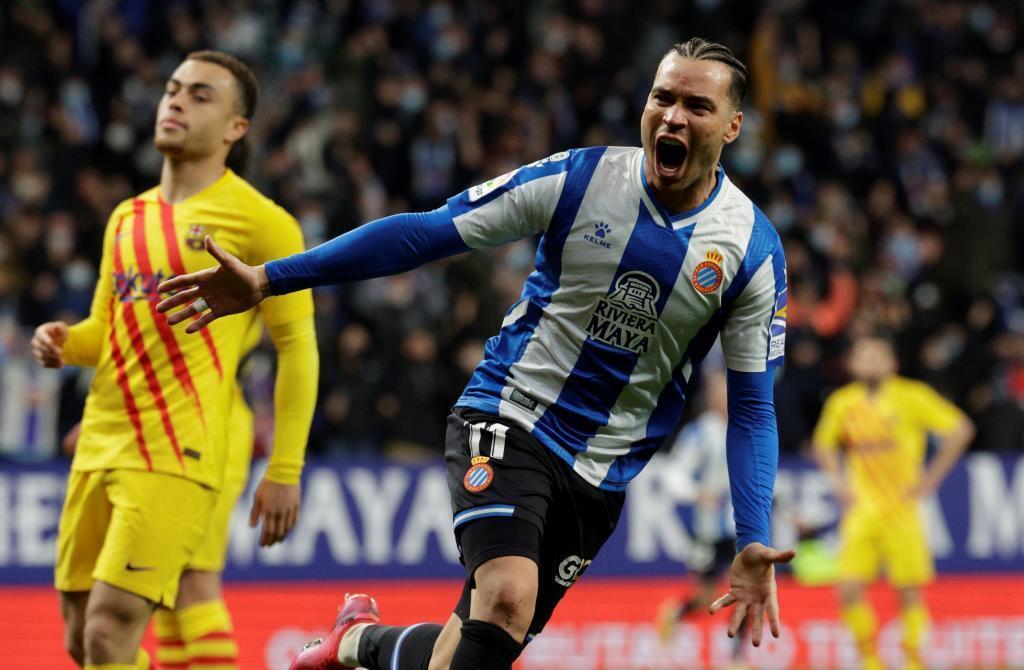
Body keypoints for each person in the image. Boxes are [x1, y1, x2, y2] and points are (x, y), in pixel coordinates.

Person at [159, 38, 796, 670]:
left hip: (600, 473)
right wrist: (270, 278)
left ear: (733, 125)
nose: (673, 116)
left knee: (462, 650)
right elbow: (425, 233)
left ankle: (356, 642)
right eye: (662, 97)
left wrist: (752, 538)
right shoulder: (580, 178)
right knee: (507, 598)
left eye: (697, 106)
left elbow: (750, 412)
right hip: (509, 413)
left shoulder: (750, 252)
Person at [30, 50, 318, 670]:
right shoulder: (124, 217)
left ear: (237, 128)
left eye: (200, 95)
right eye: (171, 89)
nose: (176, 102)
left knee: (114, 629)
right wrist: (64, 342)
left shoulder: (263, 222)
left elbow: (298, 347)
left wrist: (286, 467)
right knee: (82, 640)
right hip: (101, 441)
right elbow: (105, 329)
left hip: (178, 450)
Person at [812, 334, 974, 670]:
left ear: (893, 363)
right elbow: (823, 445)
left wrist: (930, 480)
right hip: (862, 511)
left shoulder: (912, 396)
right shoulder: (842, 402)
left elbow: (960, 429)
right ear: (852, 363)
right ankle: (871, 661)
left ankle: (914, 661)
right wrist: (838, 482)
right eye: (863, 354)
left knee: (909, 592)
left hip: (902, 511)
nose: (870, 360)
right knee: (848, 590)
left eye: (878, 354)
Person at [654, 369, 747, 669]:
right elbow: (672, 472)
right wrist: (696, 493)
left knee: (745, 589)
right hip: (706, 529)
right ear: (711, 396)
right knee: (707, 597)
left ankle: (736, 659)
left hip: (740, 528)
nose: (728, 397)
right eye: (722, 391)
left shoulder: (748, 428)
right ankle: (677, 612)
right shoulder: (700, 432)